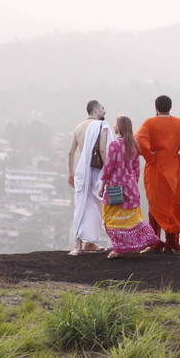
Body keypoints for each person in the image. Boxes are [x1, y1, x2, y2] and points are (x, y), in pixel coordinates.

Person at [136, 95, 180, 253]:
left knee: (155, 204)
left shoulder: (150, 123)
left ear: (156, 107)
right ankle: (171, 242)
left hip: (156, 167)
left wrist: (151, 157)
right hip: (173, 166)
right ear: (170, 107)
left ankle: (155, 243)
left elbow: (138, 140)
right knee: (173, 204)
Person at [98, 116, 160, 258]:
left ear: (120, 127)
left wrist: (102, 185)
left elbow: (108, 168)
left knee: (110, 217)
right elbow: (136, 169)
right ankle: (146, 238)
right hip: (131, 186)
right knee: (133, 217)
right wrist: (132, 185)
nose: (114, 126)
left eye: (115, 124)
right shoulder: (134, 145)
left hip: (116, 186)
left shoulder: (114, 145)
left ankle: (119, 248)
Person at [68, 100, 110, 255]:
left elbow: (71, 152)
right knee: (95, 206)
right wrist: (108, 169)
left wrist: (71, 173)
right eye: (102, 108)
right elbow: (102, 150)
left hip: (80, 170)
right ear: (95, 110)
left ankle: (80, 245)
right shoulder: (100, 126)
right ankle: (90, 243)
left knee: (81, 206)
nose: (105, 111)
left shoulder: (79, 127)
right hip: (95, 170)